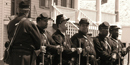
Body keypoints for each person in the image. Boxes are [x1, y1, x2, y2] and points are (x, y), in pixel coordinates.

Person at [7, 1, 43, 65]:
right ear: (27, 11)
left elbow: (9, 37)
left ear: (18, 10)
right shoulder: (29, 23)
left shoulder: (10, 23)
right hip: (25, 57)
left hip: (13, 56)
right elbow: (38, 40)